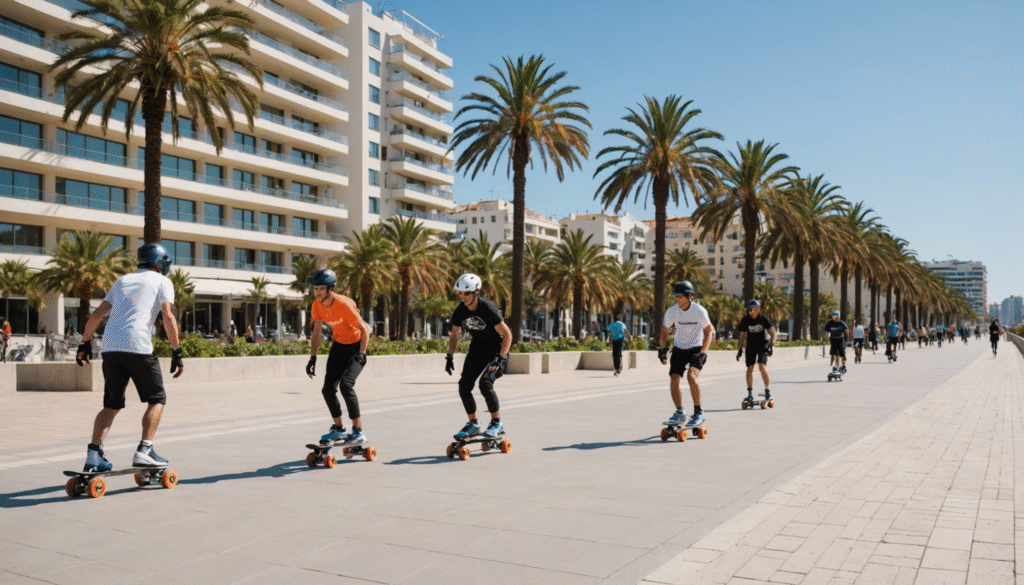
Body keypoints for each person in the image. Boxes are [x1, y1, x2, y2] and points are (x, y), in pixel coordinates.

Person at [75, 243, 184, 472]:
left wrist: (84, 342)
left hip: (110, 347)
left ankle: (93, 455)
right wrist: (177, 351)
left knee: (111, 404)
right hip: (138, 346)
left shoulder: (122, 280)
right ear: (161, 262)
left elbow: (97, 314)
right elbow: (167, 317)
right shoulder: (163, 282)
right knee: (157, 399)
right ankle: (145, 450)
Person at [306, 269, 371, 446]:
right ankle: (339, 428)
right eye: (315, 289)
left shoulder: (344, 304)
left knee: (346, 385)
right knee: (327, 389)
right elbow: (317, 331)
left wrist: (362, 353)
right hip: (339, 347)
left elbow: (364, 329)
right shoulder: (317, 305)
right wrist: (313, 358)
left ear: (331, 288)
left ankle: (358, 431)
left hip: (356, 347)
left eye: (321, 289)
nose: (318, 292)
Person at [446, 273, 512, 440]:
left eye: (466, 293)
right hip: (477, 349)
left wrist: (501, 358)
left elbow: (507, 335)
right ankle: (473, 424)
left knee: (485, 383)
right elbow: (455, 334)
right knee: (464, 386)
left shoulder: (487, 308)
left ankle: (497, 423)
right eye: (459, 293)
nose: (462, 297)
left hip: (496, 350)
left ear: (476, 292)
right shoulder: (460, 311)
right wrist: (449, 356)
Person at [658, 281, 715, 427]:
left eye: (681, 297)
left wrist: (703, 352)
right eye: (676, 297)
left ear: (690, 297)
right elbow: (665, 331)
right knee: (674, 378)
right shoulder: (672, 312)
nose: (678, 301)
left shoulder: (699, 311)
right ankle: (680, 412)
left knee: (691, 377)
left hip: (696, 348)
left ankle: (698, 413)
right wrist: (663, 350)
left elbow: (709, 331)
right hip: (679, 348)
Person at [736, 299, 777, 405]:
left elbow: (773, 333)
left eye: (755, 310)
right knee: (750, 368)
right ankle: (750, 394)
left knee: (761, 366)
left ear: (758, 310)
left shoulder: (763, 318)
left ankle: (767, 391)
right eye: (750, 310)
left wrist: (771, 345)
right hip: (751, 345)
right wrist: (739, 349)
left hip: (763, 345)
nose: (752, 312)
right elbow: (742, 336)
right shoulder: (745, 320)